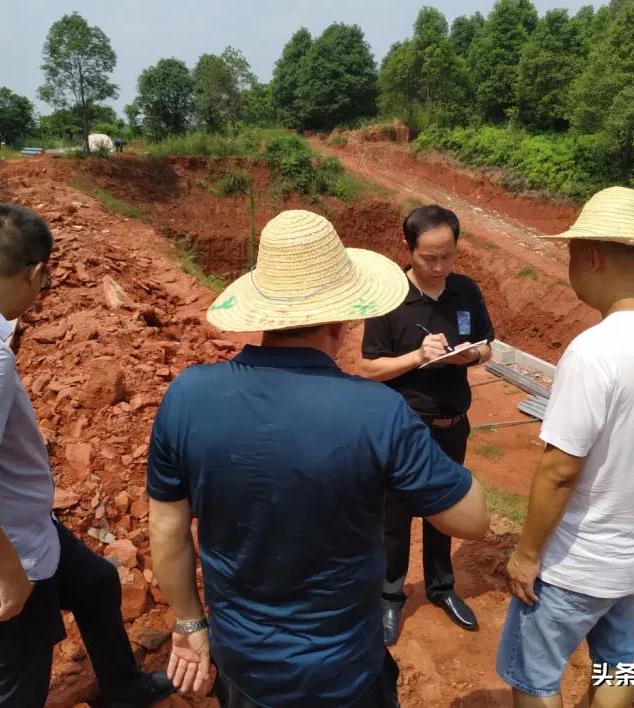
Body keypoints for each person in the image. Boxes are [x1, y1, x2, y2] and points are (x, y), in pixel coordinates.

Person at [146, 209, 490, 707]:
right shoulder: (378, 413)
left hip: (242, 668)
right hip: (345, 673)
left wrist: (189, 621)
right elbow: (474, 518)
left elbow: (166, 529)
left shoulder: (186, 396)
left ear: (262, 313)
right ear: (345, 316)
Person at [0, 204, 173, 708]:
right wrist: (11, 575)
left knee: (97, 581)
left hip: (15, 529)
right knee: (16, 696)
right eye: (45, 282)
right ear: (36, 272)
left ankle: (124, 688)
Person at [497, 187, 634, 708]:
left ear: (592, 256)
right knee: (616, 661)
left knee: (534, 676)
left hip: (579, 559)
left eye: (571, 256)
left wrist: (526, 555)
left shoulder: (596, 350)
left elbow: (559, 471)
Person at [359, 204, 494, 645]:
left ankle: (441, 587)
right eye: (428, 258)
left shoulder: (466, 291)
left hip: (452, 422)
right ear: (408, 249)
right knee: (394, 516)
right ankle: (390, 596)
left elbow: (488, 346)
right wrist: (418, 356)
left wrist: (469, 354)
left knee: (444, 511)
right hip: (404, 428)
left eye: (448, 256)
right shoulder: (388, 297)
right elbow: (370, 367)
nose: (439, 267)